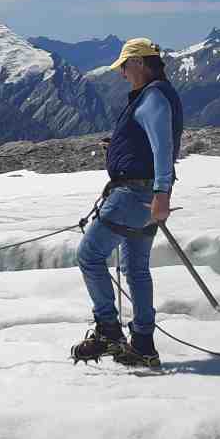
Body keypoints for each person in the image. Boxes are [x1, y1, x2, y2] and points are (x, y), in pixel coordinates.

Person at [71, 38, 184, 370]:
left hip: (133, 195)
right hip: (144, 194)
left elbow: (163, 146)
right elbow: (152, 142)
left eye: (124, 66)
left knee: (89, 255)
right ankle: (143, 345)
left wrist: (163, 192)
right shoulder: (158, 94)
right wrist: (123, 143)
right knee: (135, 268)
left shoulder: (154, 98)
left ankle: (108, 330)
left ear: (138, 63)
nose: (121, 74)